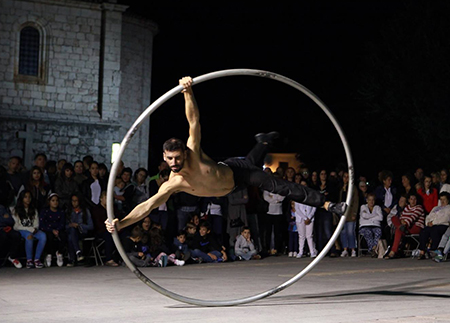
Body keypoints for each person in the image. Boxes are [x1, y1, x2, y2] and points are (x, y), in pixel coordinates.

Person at [105, 77, 346, 235]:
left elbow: (194, 121)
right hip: (229, 188)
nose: (175, 163)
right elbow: (147, 206)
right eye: (170, 159)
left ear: (183, 154)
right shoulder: (173, 183)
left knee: (277, 184)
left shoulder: (194, 153)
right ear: (164, 158)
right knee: (254, 159)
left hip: (238, 173)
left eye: (178, 157)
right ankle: (263, 142)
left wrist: (187, 91)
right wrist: (121, 223)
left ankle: (326, 203)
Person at [12, 190, 47, 268]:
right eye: (25, 197)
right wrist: (30, 229)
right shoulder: (16, 210)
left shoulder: (34, 210)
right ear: (21, 199)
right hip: (22, 230)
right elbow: (16, 226)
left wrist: (34, 228)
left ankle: (37, 259)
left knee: (43, 236)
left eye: (29, 197)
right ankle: (29, 260)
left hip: (32, 229)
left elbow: (36, 223)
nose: (28, 199)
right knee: (29, 236)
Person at [385, 194, 425, 259]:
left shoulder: (419, 207)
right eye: (411, 199)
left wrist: (405, 223)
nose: (413, 201)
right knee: (394, 218)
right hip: (404, 227)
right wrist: (402, 223)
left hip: (415, 226)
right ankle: (401, 228)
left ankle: (393, 252)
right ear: (409, 200)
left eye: (415, 199)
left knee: (399, 229)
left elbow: (413, 217)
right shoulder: (407, 207)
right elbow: (401, 217)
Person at [417, 192, 450, 259]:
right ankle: (422, 251)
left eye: (444, 199)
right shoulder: (436, 208)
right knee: (424, 231)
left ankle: (434, 250)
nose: (442, 201)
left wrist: (433, 222)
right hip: (432, 225)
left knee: (435, 231)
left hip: (443, 224)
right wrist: (428, 222)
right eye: (441, 199)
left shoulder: (448, 208)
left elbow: (445, 218)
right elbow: (429, 216)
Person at [65, 193, 93, 266]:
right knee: (72, 232)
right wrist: (70, 225)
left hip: (82, 232)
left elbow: (91, 226)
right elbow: (64, 226)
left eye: (76, 201)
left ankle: (72, 259)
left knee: (71, 236)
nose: (74, 202)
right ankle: (78, 253)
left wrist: (79, 225)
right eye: (73, 201)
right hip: (70, 232)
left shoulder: (85, 211)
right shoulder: (68, 211)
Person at [39, 193, 66, 267]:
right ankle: (49, 254)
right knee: (49, 237)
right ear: (49, 202)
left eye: (57, 200)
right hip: (48, 229)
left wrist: (57, 230)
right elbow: (42, 224)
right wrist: (51, 230)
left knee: (63, 236)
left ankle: (59, 253)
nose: (55, 202)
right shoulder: (45, 211)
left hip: (58, 229)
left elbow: (62, 223)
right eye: (53, 200)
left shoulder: (61, 211)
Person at [339, 171, 359, 257]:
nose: (346, 179)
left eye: (348, 177)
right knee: (343, 232)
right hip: (343, 213)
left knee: (351, 232)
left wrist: (354, 213)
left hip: (350, 213)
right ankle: (345, 249)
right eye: (344, 177)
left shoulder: (353, 188)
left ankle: (353, 249)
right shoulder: (341, 188)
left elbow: (355, 201)